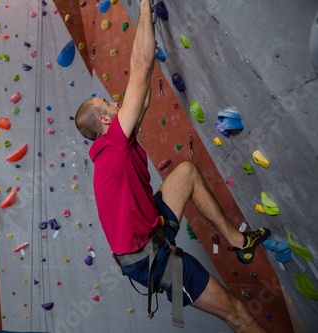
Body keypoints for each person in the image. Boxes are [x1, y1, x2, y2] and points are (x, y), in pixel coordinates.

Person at [75, 1, 270, 332]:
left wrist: (151, 24)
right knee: (236, 312)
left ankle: (238, 243)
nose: (116, 101)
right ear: (107, 120)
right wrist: (142, 7)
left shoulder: (117, 144)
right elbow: (139, 68)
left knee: (186, 174)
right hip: (154, 262)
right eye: (109, 103)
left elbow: (145, 81)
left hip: (153, 230)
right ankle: (188, 289)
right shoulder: (114, 145)